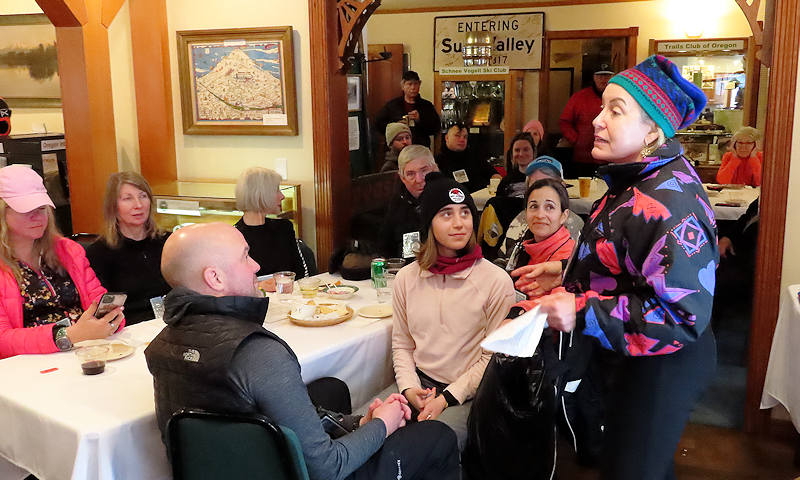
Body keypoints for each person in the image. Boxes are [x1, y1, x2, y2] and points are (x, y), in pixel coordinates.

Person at [513, 55, 718, 479]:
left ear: (652, 131)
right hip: (630, 350)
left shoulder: (670, 201)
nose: (597, 121)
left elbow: (679, 314)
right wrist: (566, 272)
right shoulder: (636, 178)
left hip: (663, 358)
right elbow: (627, 261)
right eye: (602, 107)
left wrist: (580, 309)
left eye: (615, 110)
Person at [145, 223, 459, 480]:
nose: (257, 266)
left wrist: (360, 425)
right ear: (215, 278)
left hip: (229, 468)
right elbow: (328, 468)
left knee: (330, 389)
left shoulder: (162, 347)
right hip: (297, 471)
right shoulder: (256, 353)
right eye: (245, 257)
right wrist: (382, 425)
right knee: (437, 436)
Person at [391, 173, 516, 449]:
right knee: (371, 428)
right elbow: (402, 344)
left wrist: (446, 398)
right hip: (420, 383)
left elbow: (492, 360)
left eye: (465, 213)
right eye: (446, 214)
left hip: (469, 393)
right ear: (429, 224)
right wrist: (409, 388)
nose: (459, 223)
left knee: (427, 449)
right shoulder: (406, 278)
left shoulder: (495, 281)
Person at [0, 165, 124, 358]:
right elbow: (3, 341)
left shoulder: (68, 251)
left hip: (85, 352)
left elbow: (97, 299)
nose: (37, 217)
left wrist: (109, 318)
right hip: (30, 365)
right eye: (27, 210)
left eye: (42, 208)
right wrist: (67, 335)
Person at [86, 172, 170, 325]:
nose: (138, 205)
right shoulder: (98, 253)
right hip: (129, 328)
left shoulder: (169, 242)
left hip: (172, 321)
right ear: (113, 206)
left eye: (143, 196)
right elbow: (105, 313)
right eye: (127, 198)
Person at [494, 156, 584, 269]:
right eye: (536, 184)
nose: (540, 215)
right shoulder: (520, 219)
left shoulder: (573, 226)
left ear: (562, 186)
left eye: (548, 182)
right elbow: (504, 259)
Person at [234, 167, 305, 283]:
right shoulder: (234, 237)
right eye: (276, 190)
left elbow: (301, 273)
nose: (282, 196)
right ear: (260, 194)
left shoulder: (285, 227)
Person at [503, 178, 576, 275]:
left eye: (549, 207)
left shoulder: (569, 259)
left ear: (564, 216)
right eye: (534, 206)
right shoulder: (524, 245)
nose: (540, 215)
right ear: (525, 212)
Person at [377, 145, 438, 260]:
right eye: (411, 174)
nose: (419, 179)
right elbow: (385, 247)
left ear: (435, 170)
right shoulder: (397, 203)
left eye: (424, 171)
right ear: (402, 178)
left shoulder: (448, 199)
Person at [559, 64, 615, 178]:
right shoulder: (579, 97)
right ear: (594, 77)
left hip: (611, 157)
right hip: (583, 158)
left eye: (607, 76)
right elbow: (565, 122)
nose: (603, 79)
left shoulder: (619, 97)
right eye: (599, 76)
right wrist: (576, 140)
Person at [375, 71, 441, 148]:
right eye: (409, 84)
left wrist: (420, 119)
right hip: (398, 149)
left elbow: (436, 128)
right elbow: (378, 124)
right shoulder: (392, 105)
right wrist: (396, 126)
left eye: (416, 84)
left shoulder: (427, 106)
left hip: (419, 147)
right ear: (403, 86)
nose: (413, 87)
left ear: (419, 84)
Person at [435, 122, 500, 193]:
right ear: (447, 138)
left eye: (465, 137)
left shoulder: (475, 156)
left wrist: (496, 181)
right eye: (457, 136)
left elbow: (493, 174)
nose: (462, 140)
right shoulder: (438, 162)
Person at [497, 132, 537, 198]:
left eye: (526, 149)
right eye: (517, 150)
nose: (521, 154)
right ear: (512, 154)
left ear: (534, 152)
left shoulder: (541, 178)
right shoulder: (506, 181)